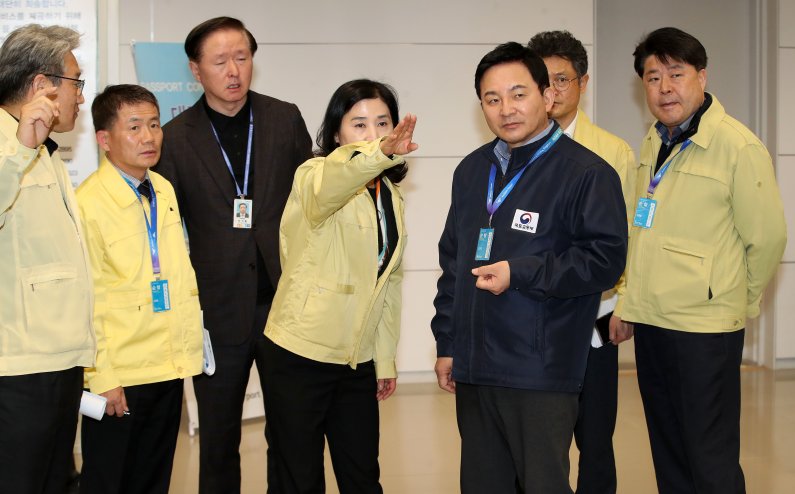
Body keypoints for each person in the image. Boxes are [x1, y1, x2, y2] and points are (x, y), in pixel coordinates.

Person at [431, 42, 628, 493]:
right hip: (477, 366)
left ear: (547, 95)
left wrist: (521, 272)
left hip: (540, 369)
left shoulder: (586, 173)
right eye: (492, 98)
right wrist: (448, 342)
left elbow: (604, 260)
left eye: (519, 94)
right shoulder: (470, 171)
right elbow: (452, 266)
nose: (506, 109)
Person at [611, 27, 787, 493]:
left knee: (709, 455)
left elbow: (767, 239)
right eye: (653, 77)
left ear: (701, 76)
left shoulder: (737, 146)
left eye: (676, 73)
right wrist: (629, 299)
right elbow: (639, 229)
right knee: (667, 450)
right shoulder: (654, 141)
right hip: (652, 321)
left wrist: (733, 302)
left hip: (705, 328)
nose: (665, 87)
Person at [154, 17, 313, 493]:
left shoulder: (284, 118)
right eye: (220, 61)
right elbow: (163, 226)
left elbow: (312, 200)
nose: (234, 70)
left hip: (284, 303)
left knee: (291, 430)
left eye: (242, 57)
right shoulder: (175, 137)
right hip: (216, 310)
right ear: (196, 70)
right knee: (218, 435)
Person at [261, 79, 417, 493]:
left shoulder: (391, 197)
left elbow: (390, 283)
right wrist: (376, 154)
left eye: (382, 123)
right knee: (298, 477)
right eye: (359, 124)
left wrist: (384, 358)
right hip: (300, 353)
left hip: (355, 360)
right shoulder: (315, 175)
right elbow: (337, 180)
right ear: (336, 134)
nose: (373, 135)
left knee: (363, 476)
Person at [76, 84, 204, 494]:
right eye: (134, 127)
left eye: (154, 123)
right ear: (104, 139)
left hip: (166, 363)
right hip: (121, 375)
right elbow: (86, 299)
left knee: (153, 478)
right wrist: (102, 375)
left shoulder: (162, 188)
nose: (149, 137)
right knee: (109, 480)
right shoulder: (87, 203)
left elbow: (176, 274)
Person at [528, 30, 635, 494]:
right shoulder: (516, 147)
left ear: (582, 82)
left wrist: (624, 303)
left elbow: (627, 237)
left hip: (594, 317)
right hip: (531, 318)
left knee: (595, 440)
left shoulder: (612, 152)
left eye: (562, 79)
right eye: (542, 81)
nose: (551, 92)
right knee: (534, 444)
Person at [0, 24, 96, 494]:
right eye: (76, 83)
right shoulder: (11, 146)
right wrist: (18, 151)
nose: (81, 96)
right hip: (18, 369)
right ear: (42, 86)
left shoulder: (46, 152)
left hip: (58, 360)